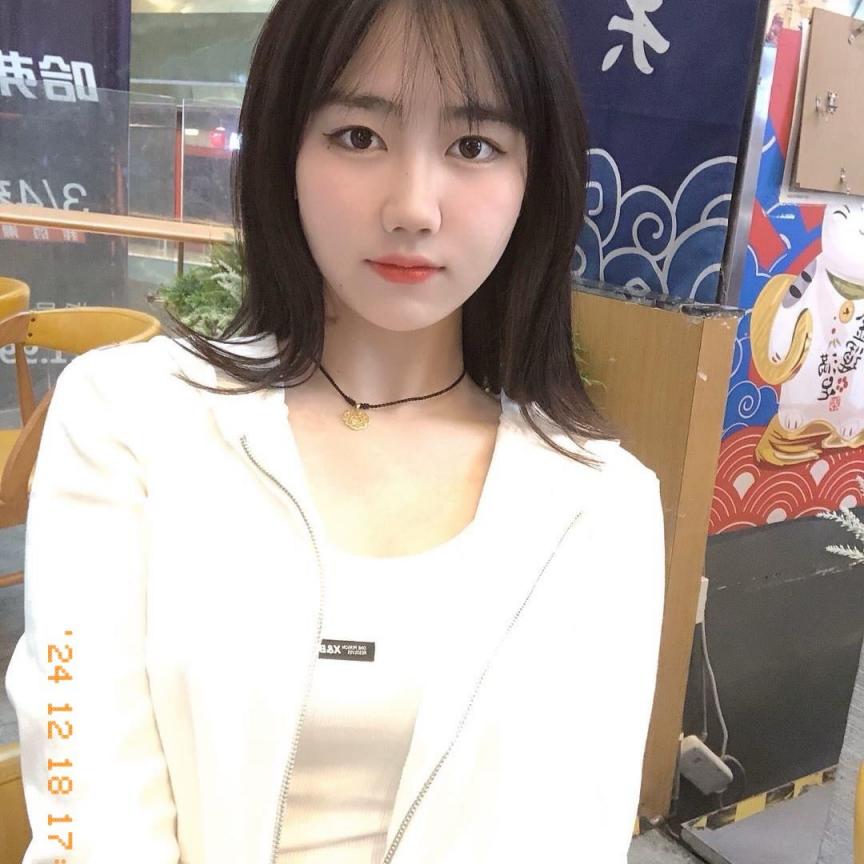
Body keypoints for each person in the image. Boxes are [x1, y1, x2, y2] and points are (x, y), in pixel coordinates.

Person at [4, 0, 667, 862]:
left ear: (534, 180)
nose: (413, 207)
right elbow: (81, 801)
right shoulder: (128, 419)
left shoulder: (602, 506)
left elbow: (578, 833)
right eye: (359, 135)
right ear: (285, 148)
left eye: (474, 146)